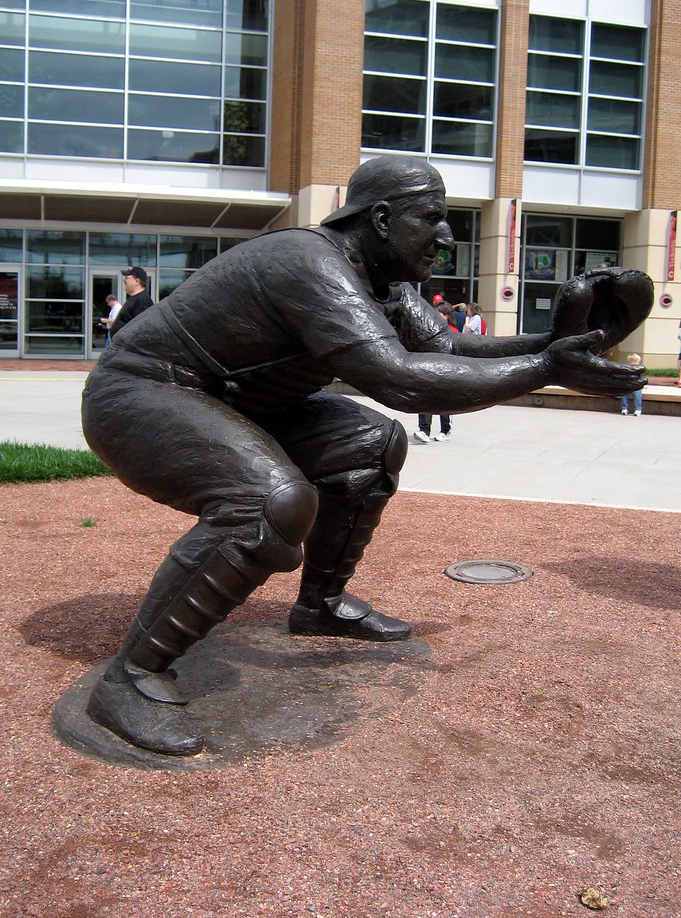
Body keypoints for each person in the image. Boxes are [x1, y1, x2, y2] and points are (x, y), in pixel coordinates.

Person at [81, 154, 650, 756]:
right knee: (268, 503)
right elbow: (401, 381)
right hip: (142, 396)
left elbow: (450, 351)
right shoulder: (307, 260)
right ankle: (132, 676)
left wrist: (559, 344)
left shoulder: (386, 283)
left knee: (370, 443)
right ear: (381, 218)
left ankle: (321, 605)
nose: (446, 235)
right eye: (431, 218)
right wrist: (546, 368)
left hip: (240, 405)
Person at [415, 301, 455, 442]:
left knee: (444, 402)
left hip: (447, 371)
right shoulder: (430, 330)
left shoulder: (453, 332)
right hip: (430, 369)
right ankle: (424, 430)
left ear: (446, 316)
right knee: (425, 399)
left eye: (439, 314)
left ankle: (446, 430)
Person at [110, 266, 153, 339]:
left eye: (127, 277)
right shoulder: (134, 298)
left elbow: (142, 330)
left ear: (136, 281)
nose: (124, 280)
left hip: (128, 348)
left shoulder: (143, 300)